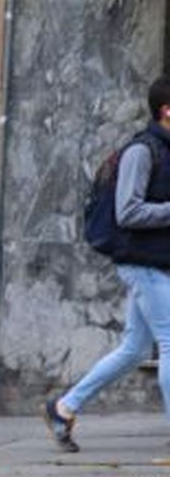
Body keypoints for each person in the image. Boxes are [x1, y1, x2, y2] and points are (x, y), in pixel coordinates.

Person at [44, 75, 170, 451]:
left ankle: (64, 407)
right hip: (141, 262)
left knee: (133, 348)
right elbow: (127, 211)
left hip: (157, 261)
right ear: (166, 110)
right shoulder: (142, 151)